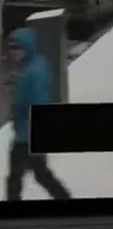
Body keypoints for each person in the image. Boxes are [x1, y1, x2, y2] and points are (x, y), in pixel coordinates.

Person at [5, 28, 71, 201]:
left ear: (27, 48)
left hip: (28, 134)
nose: (13, 52)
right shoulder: (31, 66)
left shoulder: (33, 72)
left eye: (17, 48)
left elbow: (38, 102)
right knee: (39, 174)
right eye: (11, 48)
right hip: (28, 132)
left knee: (19, 176)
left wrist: (33, 131)